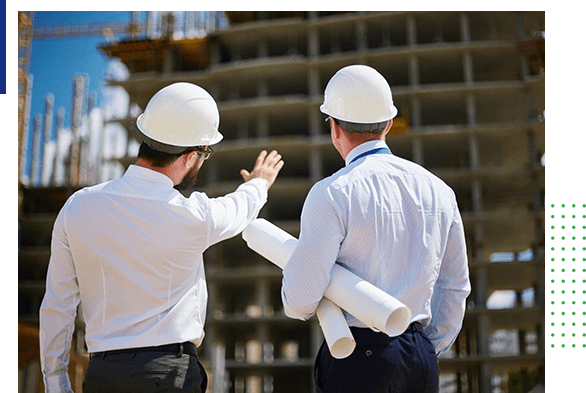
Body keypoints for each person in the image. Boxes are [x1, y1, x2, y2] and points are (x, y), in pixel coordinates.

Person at [39, 82, 284, 393]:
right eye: (204, 154)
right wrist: (259, 183)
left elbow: (57, 305)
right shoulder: (192, 215)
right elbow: (239, 208)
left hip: (102, 376)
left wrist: (56, 383)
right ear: (191, 155)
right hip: (168, 376)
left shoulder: (78, 207)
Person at [281, 65, 470, 393]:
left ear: (334, 127)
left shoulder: (333, 193)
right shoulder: (438, 190)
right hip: (420, 358)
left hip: (358, 357)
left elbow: (299, 301)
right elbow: (454, 287)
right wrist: (426, 347)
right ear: (388, 123)